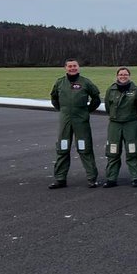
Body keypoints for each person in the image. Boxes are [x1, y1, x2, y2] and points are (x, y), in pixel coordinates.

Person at [48, 58, 101, 189]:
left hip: (81, 121)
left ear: (78, 67)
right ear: (65, 68)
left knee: (84, 148)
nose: (73, 68)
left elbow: (96, 98)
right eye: (70, 66)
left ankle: (91, 178)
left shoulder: (85, 82)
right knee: (62, 148)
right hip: (65, 120)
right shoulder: (60, 82)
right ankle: (60, 179)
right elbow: (54, 98)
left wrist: (86, 110)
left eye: (75, 66)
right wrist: (63, 110)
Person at [103, 66, 137, 187]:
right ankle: (111, 178)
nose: (123, 76)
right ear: (117, 76)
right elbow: (108, 107)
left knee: (133, 151)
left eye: (125, 74)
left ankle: (136, 177)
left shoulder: (136, 91)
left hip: (130, 124)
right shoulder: (110, 90)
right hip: (114, 124)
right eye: (121, 74)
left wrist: (132, 117)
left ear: (129, 76)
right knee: (113, 151)